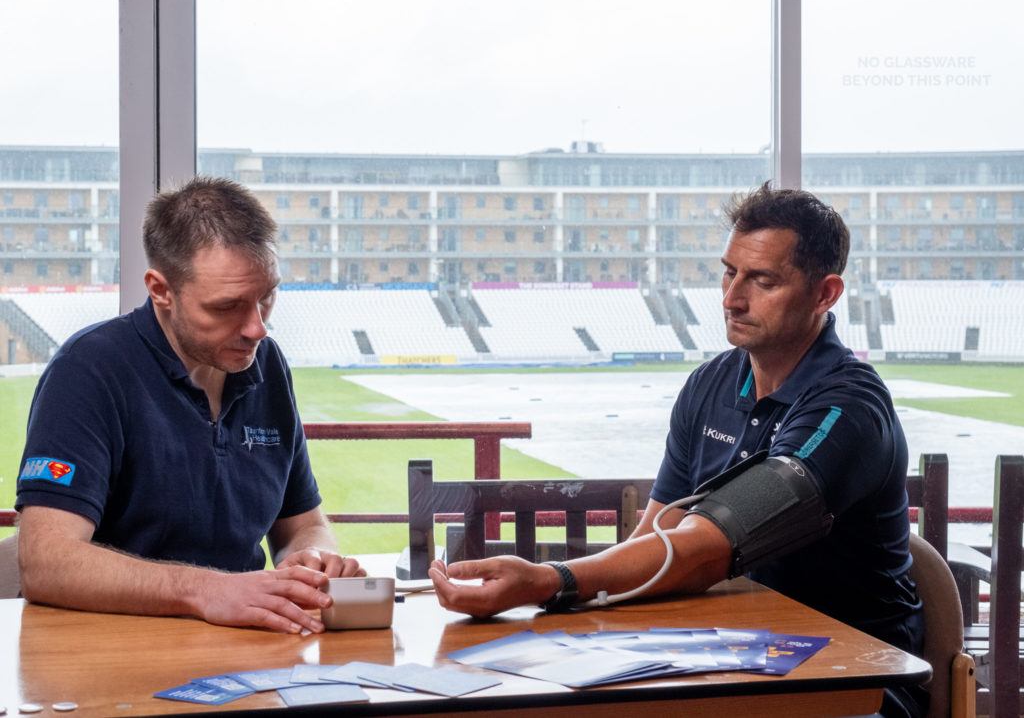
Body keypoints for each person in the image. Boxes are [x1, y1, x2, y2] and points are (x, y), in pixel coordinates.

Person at [429, 183, 926, 718]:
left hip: (858, 684)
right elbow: (657, 540)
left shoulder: (848, 408)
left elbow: (709, 546)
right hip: (734, 660)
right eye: (729, 272)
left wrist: (552, 581)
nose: (732, 298)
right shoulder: (709, 385)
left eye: (762, 280)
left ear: (825, 294)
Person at [15, 176, 363, 634]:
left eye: (267, 297)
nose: (257, 328)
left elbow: (302, 523)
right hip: (108, 650)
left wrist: (312, 558)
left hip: (242, 646)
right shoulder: (90, 370)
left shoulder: (267, 364)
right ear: (161, 290)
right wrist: (208, 591)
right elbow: (46, 562)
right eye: (227, 307)